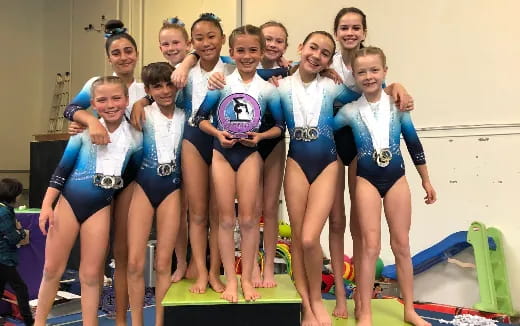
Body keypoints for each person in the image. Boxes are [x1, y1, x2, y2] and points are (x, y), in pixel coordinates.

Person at [334, 46, 436, 326]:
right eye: (362, 72)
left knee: (402, 244)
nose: (368, 76)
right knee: (370, 246)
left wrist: (425, 179)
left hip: (397, 179)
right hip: (366, 179)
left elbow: (413, 142)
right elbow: (325, 129)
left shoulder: (398, 106)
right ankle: (364, 311)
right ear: (354, 76)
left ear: (385, 72)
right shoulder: (349, 112)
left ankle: (409, 309)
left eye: (374, 70)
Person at [328, 7, 414, 318]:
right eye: (344, 28)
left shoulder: (368, 62)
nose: (349, 33)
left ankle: (360, 301)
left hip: (362, 147)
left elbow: (384, 90)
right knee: (336, 222)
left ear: (364, 32)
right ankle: (340, 295)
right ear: (336, 32)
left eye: (355, 28)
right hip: (335, 141)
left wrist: (398, 87)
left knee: (361, 229)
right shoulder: (328, 60)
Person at [35, 77, 142, 326]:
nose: (110, 105)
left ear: (126, 101)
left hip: (100, 207)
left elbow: (131, 176)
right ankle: (38, 322)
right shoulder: (82, 133)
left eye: (117, 98)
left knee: (92, 274)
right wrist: (46, 205)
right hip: (69, 203)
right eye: (102, 100)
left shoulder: (136, 138)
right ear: (93, 104)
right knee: (52, 270)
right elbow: (61, 170)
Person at [62, 20, 145, 326]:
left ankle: (121, 318)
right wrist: (90, 121)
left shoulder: (143, 87)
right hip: (94, 177)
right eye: (116, 52)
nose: (123, 57)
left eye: (128, 51)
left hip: (130, 176)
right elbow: (71, 110)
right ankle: (91, 318)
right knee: (94, 258)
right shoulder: (96, 82)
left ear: (136, 54)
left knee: (122, 253)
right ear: (109, 57)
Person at [193, 24, 284, 303]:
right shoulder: (221, 83)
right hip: (222, 153)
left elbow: (280, 126)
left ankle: (246, 279)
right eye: (240, 50)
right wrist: (218, 133)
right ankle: (229, 279)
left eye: (252, 50)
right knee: (224, 218)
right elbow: (200, 119)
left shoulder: (268, 90)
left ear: (260, 52)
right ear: (231, 52)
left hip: (250, 154)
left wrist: (260, 137)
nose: (247, 56)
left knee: (247, 219)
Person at [276, 31, 359, 326]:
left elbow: (365, 84)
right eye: (313, 48)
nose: (317, 55)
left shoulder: (332, 86)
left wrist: (396, 86)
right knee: (298, 240)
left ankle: (315, 299)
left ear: (329, 60)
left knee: (311, 238)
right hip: (296, 163)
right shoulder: (280, 87)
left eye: (325, 53)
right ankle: (307, 304)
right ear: (300, 48)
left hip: (327, 165)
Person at [126, 63, 184, 326]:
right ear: (148, 90)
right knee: (135, 263)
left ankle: (160, 322)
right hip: (143, 188)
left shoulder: (185, 114)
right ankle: (137, 322)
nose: (164, 91)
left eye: (168, 84)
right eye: (157, 87)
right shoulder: (141, 114)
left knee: (163, 264)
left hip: (172, 189)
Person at [157, 16, 192, 284]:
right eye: (165, 44)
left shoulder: (197, 65)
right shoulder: (160, 74)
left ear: (187, 44)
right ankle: (181, 263)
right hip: (172, 150)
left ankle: (205, 266)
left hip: (196, 142)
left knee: (204, 214)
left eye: (176, 43)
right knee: (179, 215)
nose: (171, 48)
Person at [0, 178, 34, 326]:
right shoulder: (4, 213)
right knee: (20, 287)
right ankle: (29, 320)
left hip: (3, 257)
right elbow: (13, 238)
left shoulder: (5, 209)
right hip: (4, 257)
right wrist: (20, 230)